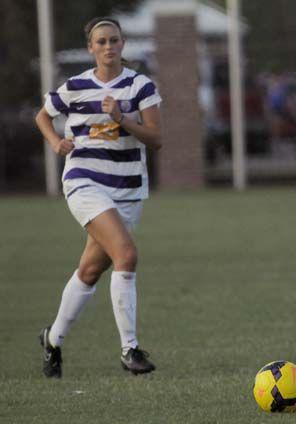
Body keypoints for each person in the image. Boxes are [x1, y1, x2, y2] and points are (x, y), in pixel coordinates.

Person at [34, 17, 162, 378]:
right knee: (127, 254)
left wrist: (122, 118)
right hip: (85, 182)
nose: (109, 47)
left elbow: (155, 139)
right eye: (101, 42)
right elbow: (42, 116)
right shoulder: (75, 87)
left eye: (114, 40)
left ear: (123, 44)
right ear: (91, 48)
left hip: (128, 189)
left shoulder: (141, 87)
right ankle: (130, 349)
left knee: (90, 270)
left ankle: (52, 339)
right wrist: (56, 141)